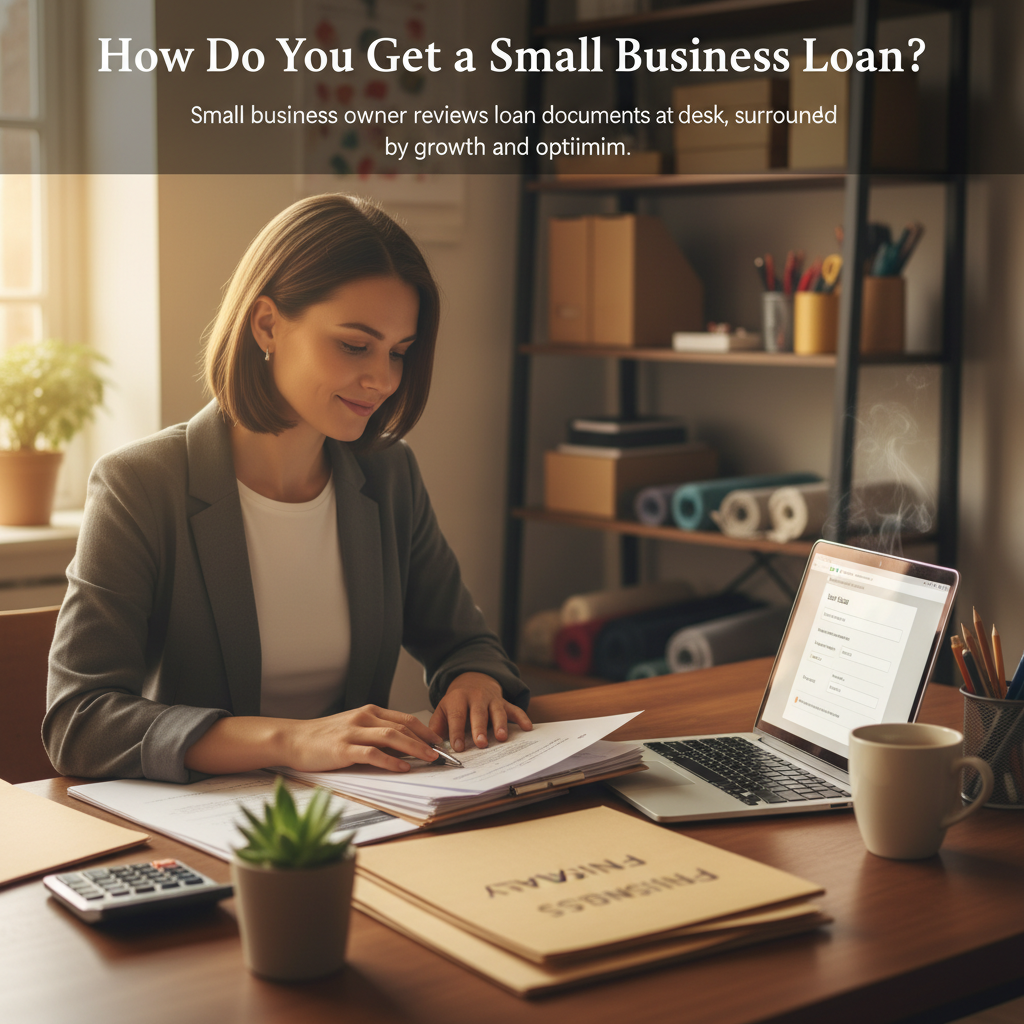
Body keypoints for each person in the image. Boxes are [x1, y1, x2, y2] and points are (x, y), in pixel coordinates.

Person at [44, 193, 531, 783]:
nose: (382, 379)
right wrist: (293, 740)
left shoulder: (389, 474)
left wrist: (474, 680)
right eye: (354, 345)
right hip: (208, 824)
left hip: (364, 814)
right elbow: (80, 720)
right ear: (268, 324)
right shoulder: (140, 486)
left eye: (398, 353)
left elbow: (465, 642)